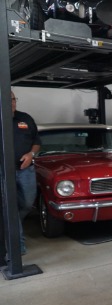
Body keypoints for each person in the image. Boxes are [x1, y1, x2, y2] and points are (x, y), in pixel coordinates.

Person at [11, 90, 41, 255]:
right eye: (7, 100)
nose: (12, 102)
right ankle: (19, 246)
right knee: (10, 208)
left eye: (14, 99)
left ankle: (16, 224)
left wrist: (31, 154)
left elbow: (36, 141)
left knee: (28, 204)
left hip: (26, 171)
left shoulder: (26, 118)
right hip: (4, 172)